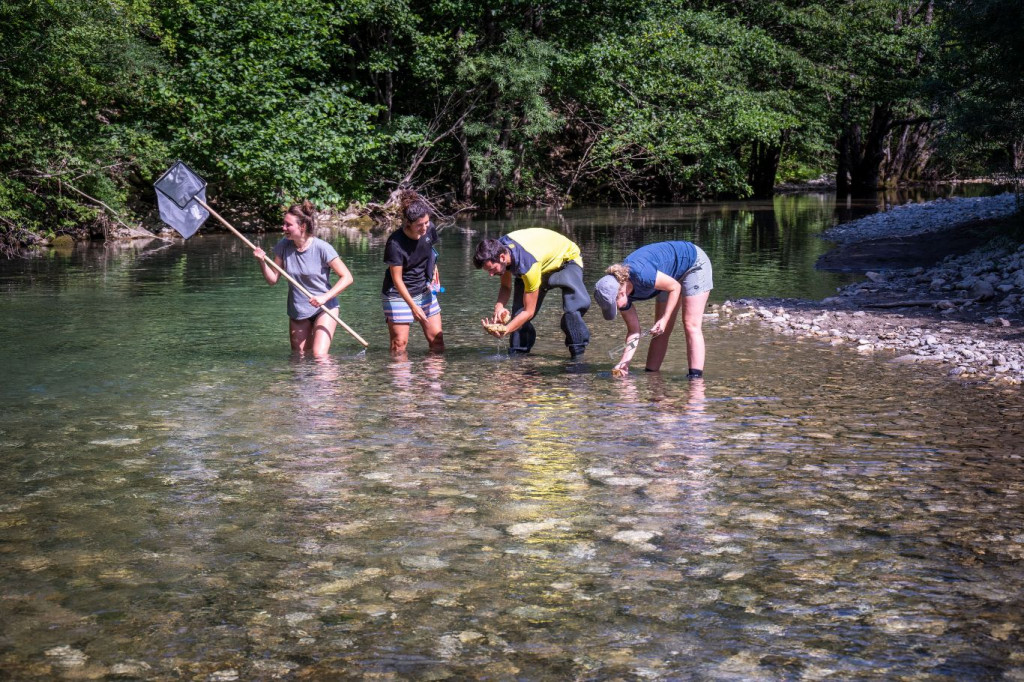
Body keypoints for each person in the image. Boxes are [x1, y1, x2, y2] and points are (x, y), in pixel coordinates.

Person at [593, 241, 713, 378]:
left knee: (690, 324)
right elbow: (634, 332)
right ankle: (652, 377)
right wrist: (624, 362)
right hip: (666, 277)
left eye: (615, 305)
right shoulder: (620, 295)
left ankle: (695, 381)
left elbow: (675, 287)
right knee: (660, 330)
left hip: (693, 263)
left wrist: (665, 318)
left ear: (620, 292)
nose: (618, 308)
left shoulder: (641, 274)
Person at [253, 201, 353, 358]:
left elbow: (347, 277)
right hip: (298, 310)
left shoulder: (322, 248)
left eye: (288, 225)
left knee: (319, 356)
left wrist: (324, 297)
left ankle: (330, 383)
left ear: (302, 227)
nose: (283, 228)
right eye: (284, 224)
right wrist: (262, 261)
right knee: (299, 358)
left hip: (324, 307)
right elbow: (272, 280)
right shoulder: (283, 246)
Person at [473, 228, 590, 357]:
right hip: (538, 262)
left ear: (502, 258)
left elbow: (529, 312)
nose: (490, 274)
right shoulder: (499, 250)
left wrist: (506, 330)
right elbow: (505, 287)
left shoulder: (527, 265)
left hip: (566, 261)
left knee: (572, 312)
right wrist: (499, 308)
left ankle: (578, 358)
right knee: (518, 316)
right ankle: (518, 357)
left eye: (491, 269)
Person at [381, 193, 444, 356]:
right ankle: (402, 381)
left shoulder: (429, 230)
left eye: (426, 222)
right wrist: (413, 307)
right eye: (419, 225)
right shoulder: (395, 243)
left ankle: (432, 381)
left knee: (437, 340)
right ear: (408, 223)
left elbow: (431, 253)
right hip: (398, 294)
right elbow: (396, 279)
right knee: (399, 344)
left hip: (424, 289)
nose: (424, 228)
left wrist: (434, 274)